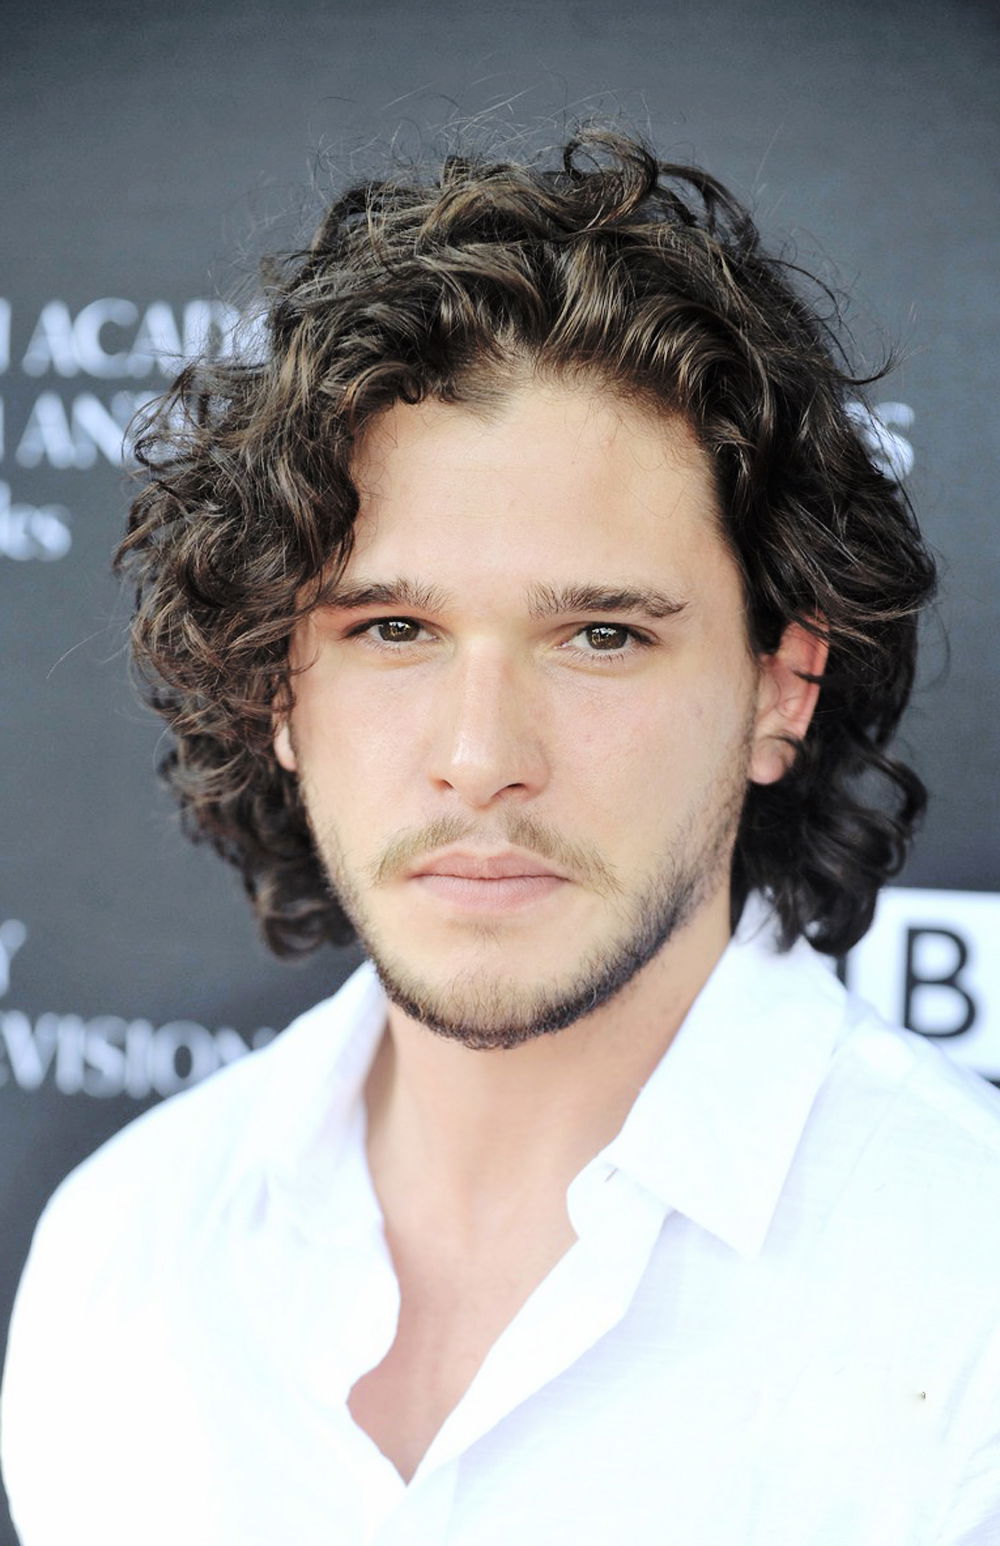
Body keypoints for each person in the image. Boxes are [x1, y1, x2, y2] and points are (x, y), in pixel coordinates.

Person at [3, 128, 999, 1546]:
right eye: (393, 629)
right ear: (278, 690)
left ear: (781, 687)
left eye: (601, 636)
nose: (480, 758)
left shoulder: (968, 1300)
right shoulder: (124, 1252)